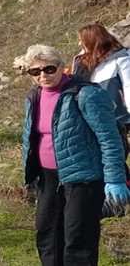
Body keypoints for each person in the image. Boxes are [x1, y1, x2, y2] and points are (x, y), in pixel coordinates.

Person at [21, 44, 130, 265]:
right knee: (47, 234)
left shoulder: (86, 94)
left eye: (49, 68)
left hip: (83, 178)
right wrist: (31, 172)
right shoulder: (34, 97)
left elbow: (109, 139)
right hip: (48, 178)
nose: (43, 75)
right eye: (35, 71)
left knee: (78, 239)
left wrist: (115, 179)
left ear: (62, 67)